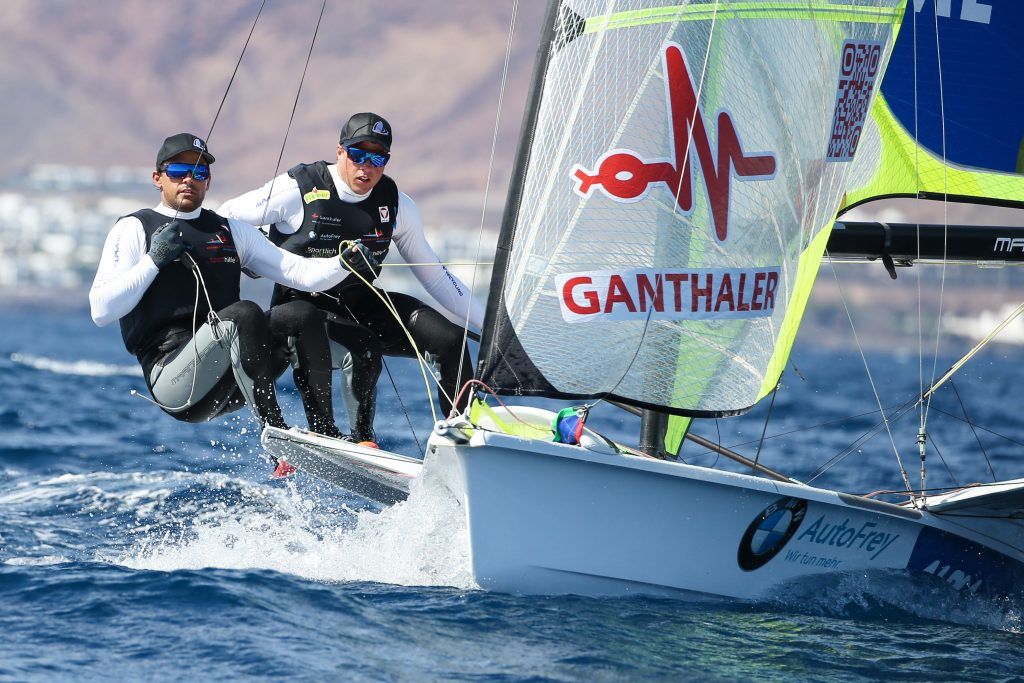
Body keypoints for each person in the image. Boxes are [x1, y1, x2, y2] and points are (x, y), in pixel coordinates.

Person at [89, 133, 372, 470]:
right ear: (157, 178)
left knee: (300, 313)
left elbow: (300, 273)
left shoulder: (230, 230)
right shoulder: (135, 228)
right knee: (244, 313)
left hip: (232, 374)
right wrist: (154, 260)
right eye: (178, 171)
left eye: (199, 172)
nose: (189, 179)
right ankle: (278, 441)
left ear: (208, 181)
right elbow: (101, 311)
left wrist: (343, 263)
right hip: (176, 381)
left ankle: (324, 433)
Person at [219, 112, 485, 441]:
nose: (367, 167)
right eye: (358, 155)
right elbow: (225, 216)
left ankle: (463, 436)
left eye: (378, 158)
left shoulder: (397, 205)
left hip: (359, 304)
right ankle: (357, 439)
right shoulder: (298, 188)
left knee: (451, 340)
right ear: (340, 151)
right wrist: (256, 252)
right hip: (301, 310)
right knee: (365, 347)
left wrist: (490, 326)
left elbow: (437, 278)